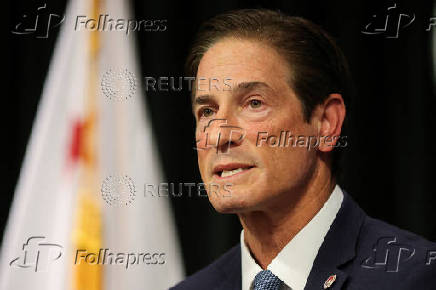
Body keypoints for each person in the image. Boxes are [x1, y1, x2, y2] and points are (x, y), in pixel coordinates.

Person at [171, 9, 436, 290]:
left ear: (326, 124)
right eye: (208, 111)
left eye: (254, 103)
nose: (219, 134)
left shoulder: (417, 277)